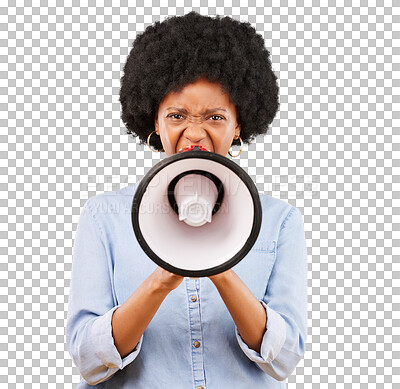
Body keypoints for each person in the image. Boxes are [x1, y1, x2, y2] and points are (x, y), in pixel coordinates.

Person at [66, 11, 308, 388]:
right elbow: (88, 360)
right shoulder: (105, 216)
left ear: (238, 124)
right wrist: (163, 279)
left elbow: (285, 359)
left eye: (214, 117)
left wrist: (217, 262)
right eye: (177, 115)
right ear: (155, 122)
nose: (194, 133)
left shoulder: (280, 221)